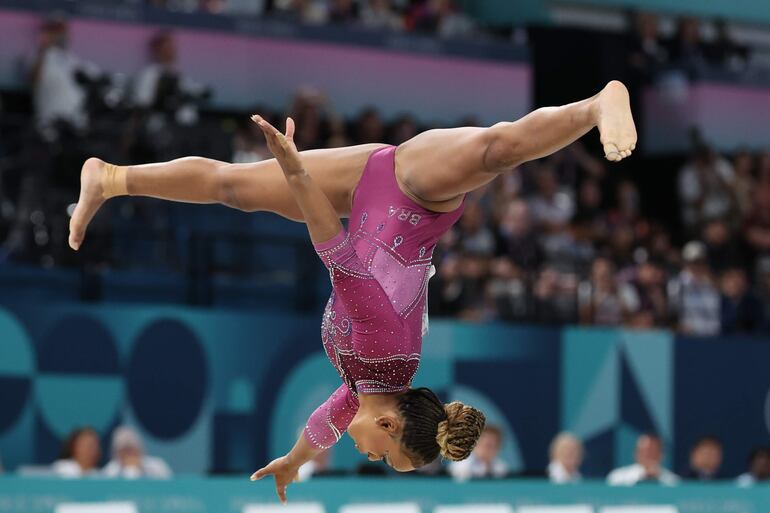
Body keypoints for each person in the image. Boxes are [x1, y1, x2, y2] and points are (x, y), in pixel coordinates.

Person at [68, 81, 637, 501]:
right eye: (382, 456)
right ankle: (598, 104)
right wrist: (295, 173)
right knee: (496, 151)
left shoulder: (365, 383)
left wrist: (292, 463)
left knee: (232, 186)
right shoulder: (384, 348)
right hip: (418, 189)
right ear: (390, 424)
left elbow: (326, 424)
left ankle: (110, 176)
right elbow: (333, 249)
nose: (367, 456)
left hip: (368, 187)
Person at [607, 434, 679, 486]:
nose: (648, 456)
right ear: (636, 454)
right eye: (644, 452)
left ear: (661, 455)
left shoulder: (673, 482)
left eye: (652, 452)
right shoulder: (617, 478)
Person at [102, 426, 172, 479]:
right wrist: (131, 469)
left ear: (140, 449)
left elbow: (170, 487)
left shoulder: (158, 465)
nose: (129, 455)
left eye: (131, 449)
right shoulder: (110, 470)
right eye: (124, 451)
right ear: (116, 453)